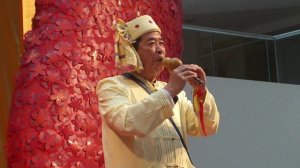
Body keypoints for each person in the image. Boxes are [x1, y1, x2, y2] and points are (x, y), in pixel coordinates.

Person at [96, 15, 220, 168]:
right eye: (151, 43)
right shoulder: (112, 86)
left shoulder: (175, 93)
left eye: (161, 43)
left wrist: (200, 91)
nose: (160, 49)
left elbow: (206, 128)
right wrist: (170, 91)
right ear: (133, 51)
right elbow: (127, 123)